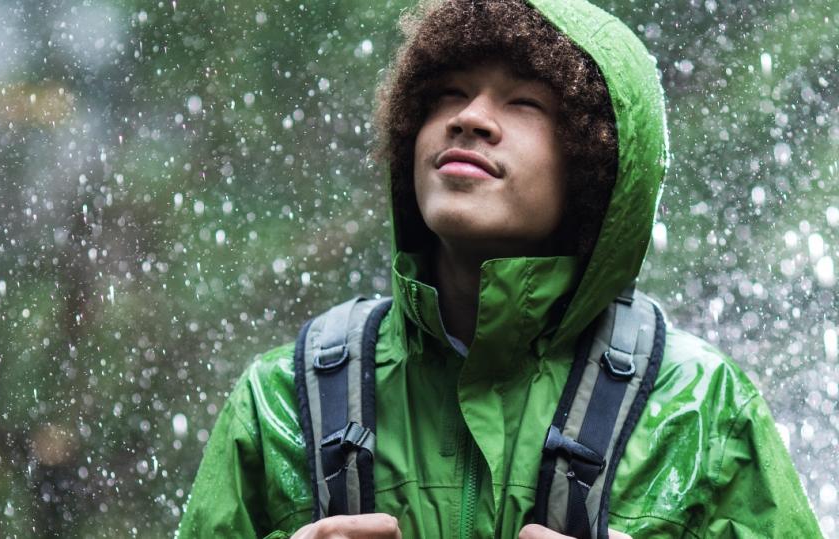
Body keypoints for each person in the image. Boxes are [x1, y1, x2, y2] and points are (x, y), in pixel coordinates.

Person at [177, 0, 822, 537]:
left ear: (594, 167)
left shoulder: (701, 409)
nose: (470, 118)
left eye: (524, 103)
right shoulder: (280, 404)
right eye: (449, 94)